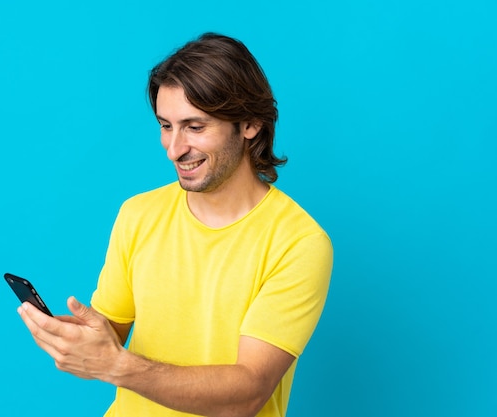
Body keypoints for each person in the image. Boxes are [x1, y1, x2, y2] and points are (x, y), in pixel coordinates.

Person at [18, 32, 333, 417]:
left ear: (250, 124)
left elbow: (247, 394)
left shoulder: (299, 243)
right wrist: (74, 342)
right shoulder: (139, 214)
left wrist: (116, 365)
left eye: (194, 127)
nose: (174, 149)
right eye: (166, 125)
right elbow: (108, 337)